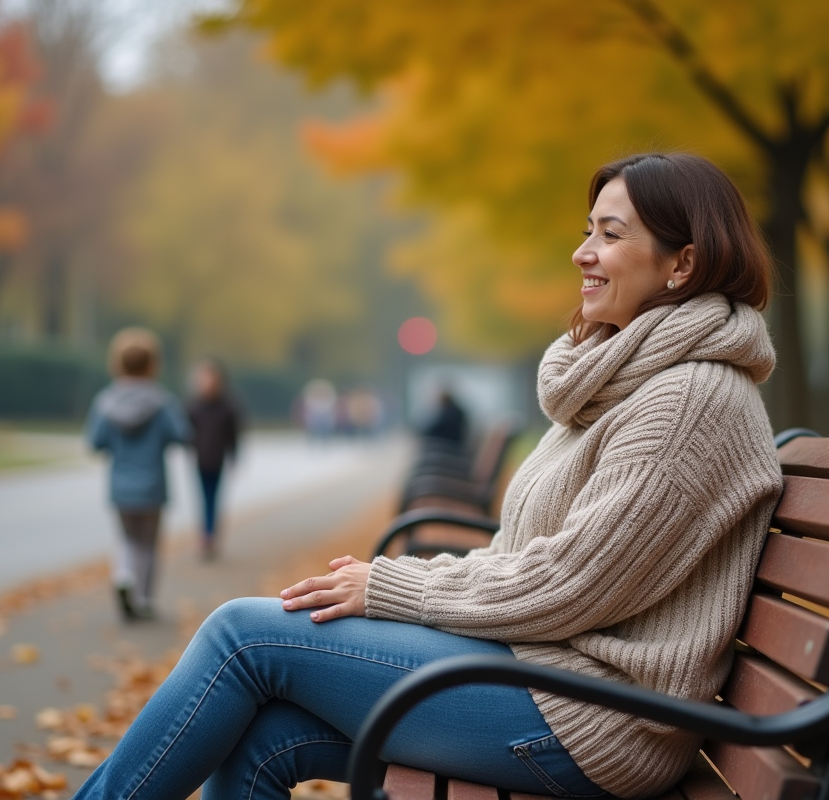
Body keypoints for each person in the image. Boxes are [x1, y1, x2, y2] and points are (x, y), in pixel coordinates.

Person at [70, 152, 783, 800]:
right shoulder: (630, 381)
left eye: (610, 234)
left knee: (243, 638)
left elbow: (569, 581)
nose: (583, 252)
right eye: (587, 229)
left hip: (597, 721)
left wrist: (392, 585)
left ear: (681, 265)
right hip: (542, 674)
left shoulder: (691, 399)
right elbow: (542, 566)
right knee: (264, 736)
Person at [86, 327, 191, 621]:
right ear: (152, 364)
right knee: (149, 543)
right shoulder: (162, 402)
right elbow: (182, 435)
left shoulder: (105, 402)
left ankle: (123, 576)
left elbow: (95, 442)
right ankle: (143, 599)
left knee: (126, 539)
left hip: (120, 484)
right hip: (153, 485)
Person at [185, 359, 242, 560]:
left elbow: (233, 434)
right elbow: (186, 430)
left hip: (217, 459)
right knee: (203, 498)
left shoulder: (226, 406)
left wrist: (234, 456)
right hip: (200, 459)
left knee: (213, 499)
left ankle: (210, 535)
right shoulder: (194, 405)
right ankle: (206, 535)